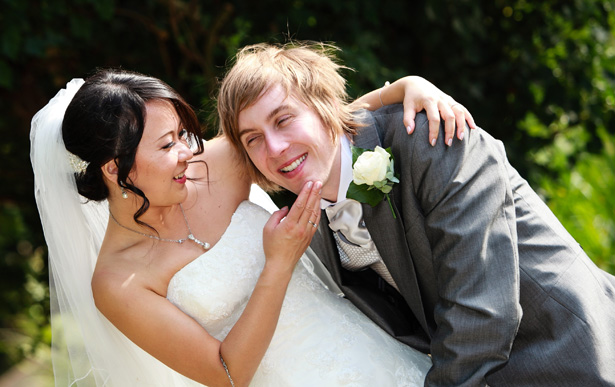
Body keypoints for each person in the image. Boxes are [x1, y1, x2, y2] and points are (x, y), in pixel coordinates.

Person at [30, 68, 472, 386]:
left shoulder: (215, 164)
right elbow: (225, 372)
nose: (188, 152)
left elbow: (310, 137)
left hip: (377, 352)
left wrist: (404, 88)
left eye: (184, 134)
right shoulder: (116, 282)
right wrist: (277, 265)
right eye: (168, 145)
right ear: (114, 168)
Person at [218, 42, 615, 386]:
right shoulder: (309, 225)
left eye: (283, 119)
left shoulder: (433, 139)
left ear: (323, 107)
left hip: (573, 353)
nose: (274, 147)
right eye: (253, 139)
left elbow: (481, 313)